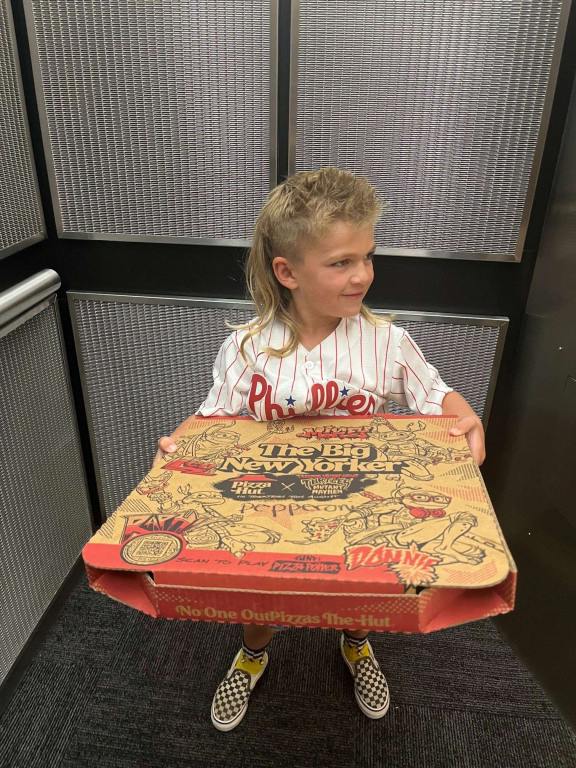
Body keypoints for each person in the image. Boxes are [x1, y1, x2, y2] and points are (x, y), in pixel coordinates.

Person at [151, 167, 486, 732]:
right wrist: (180, 444)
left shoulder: (386, 343)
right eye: (341, 263)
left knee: (359, 591)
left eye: (368, 257)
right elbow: (215, 416)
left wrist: (465, 416)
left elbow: (435, 395)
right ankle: (254, 652)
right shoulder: (247, 347)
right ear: (288, 272)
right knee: (258, 598)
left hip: (357, 504)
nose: (363, 276)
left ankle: (356, 643)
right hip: (269, 506)